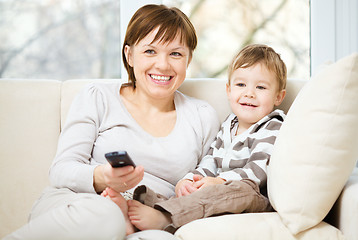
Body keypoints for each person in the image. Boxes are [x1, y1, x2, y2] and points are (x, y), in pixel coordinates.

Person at [4, 4, 220, 240]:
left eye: (175, 53)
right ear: (129, 55)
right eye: (150, 51)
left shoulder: (201, 115)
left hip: (143, 219)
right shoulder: (98, 97)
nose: (163, 65)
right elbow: (61, 170)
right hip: (80, 205)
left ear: (188, 59)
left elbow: (205, 186)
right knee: (106, 217)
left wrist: (165, 217)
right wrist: (102, 177)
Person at [125, 44, 287, 232]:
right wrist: (189, 180)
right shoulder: (229, 124)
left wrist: (220, 181)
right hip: (218, 192)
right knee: (195, 191)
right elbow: (210, 160)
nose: (249, 93)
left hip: (250, 195)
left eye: (260, 87)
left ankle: (165, 217)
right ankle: (150, 202)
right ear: (228, 90)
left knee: (238, 191)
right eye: (241, 85)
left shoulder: (272, 126)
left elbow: (257, 171)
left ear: (278, 96)